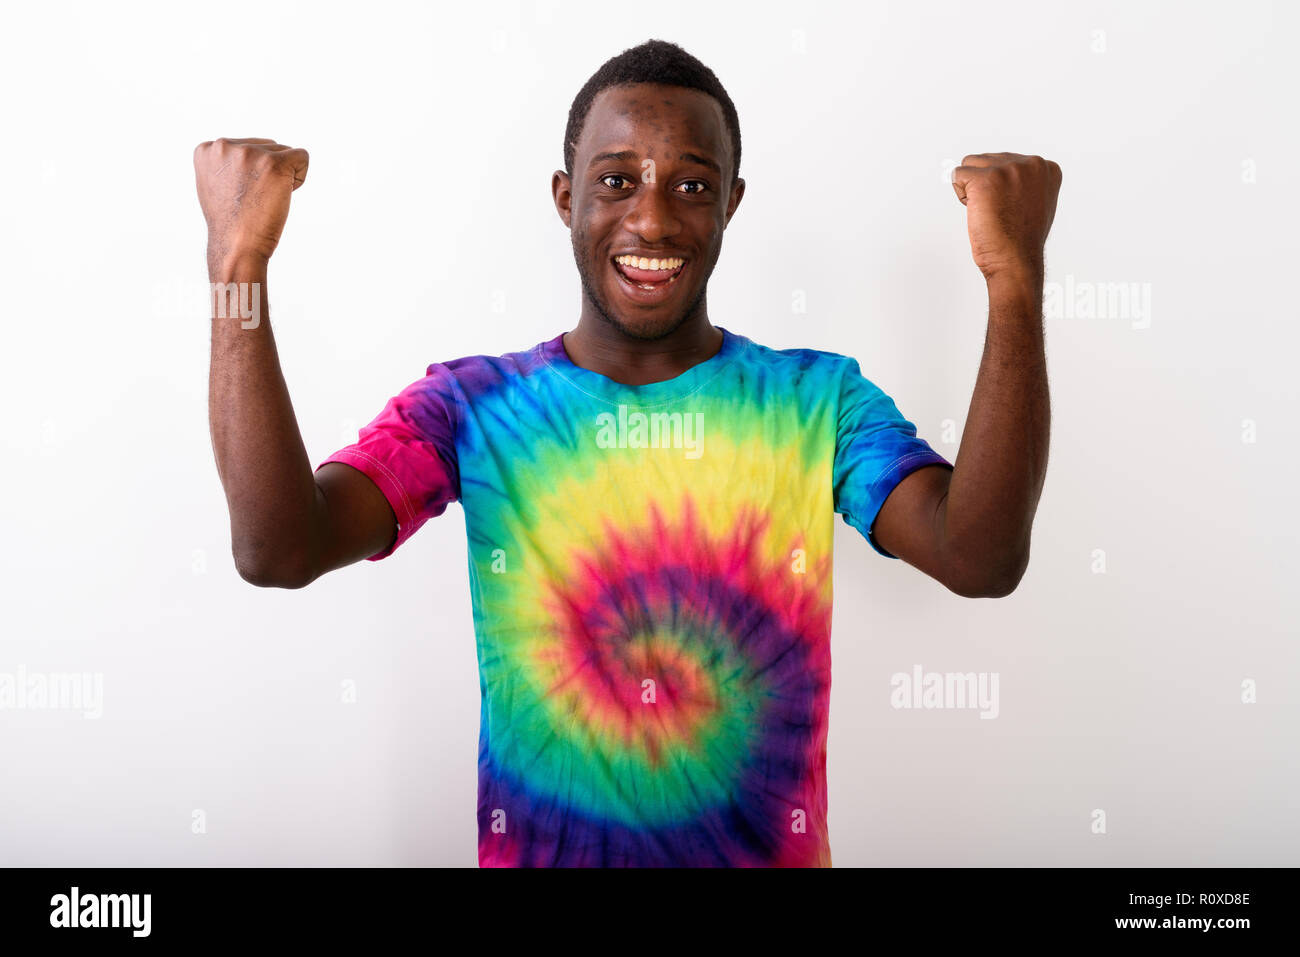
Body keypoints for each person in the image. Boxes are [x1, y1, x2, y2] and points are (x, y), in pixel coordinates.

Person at [194, 38, 1059, 867]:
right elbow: (278, 547)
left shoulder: (817, 401)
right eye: (617, 180)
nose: (652, 215)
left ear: (731, 204)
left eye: (691, 184)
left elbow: (978, 555)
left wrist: (1014, 279)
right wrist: (238, 260)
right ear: (566, 197)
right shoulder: (472, 408)